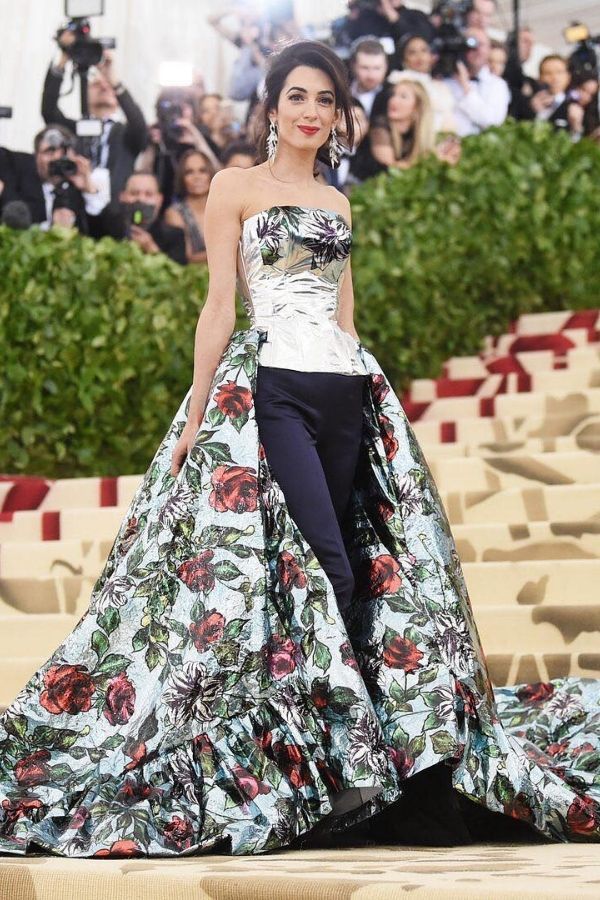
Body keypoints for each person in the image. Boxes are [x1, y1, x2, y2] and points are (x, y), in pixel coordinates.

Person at [1, 38, 599, 860]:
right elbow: (219, 307)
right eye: (297, 96)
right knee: (326, 559)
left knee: (355, 560)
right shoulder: (235, 187)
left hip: (343, 390)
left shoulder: (340, 203)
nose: (311, 111)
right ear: (272, 106)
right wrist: (196, 420)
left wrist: (371, 399)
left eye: (325, 99)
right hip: (273, 386)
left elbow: (345, 317)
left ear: (337, 116)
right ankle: (316, 761)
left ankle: (356, 764)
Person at [42, 32, 147, 199]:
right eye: (96, 84)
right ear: (84, 93)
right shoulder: (73, 129)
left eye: (108, 86)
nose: (103, 87)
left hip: (114, 210)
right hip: (76, 204)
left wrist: (113, 80)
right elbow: (48, 111)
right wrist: (64, 57)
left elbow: (140, 126)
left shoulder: (126, 134)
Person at [5, 125, 110, 235]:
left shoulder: (77, 191)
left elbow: (101, 234)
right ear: (36, 156)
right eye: (49, 151)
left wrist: (89, 190)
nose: (56, 158)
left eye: (63, 153)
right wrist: (51, 228)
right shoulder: (21, 188)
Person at [444, 26, 510, 136]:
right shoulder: (446, 81)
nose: (477, 49)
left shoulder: (498, 85)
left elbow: (492, 123)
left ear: (489, 49)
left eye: (482, 45)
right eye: (471, 44)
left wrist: (466, 87)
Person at [391, 34, 457, 133]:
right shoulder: (399, 80)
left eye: (424, 50)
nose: (419, 57)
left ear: (432, 56)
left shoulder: (440, 85)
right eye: (412, 52)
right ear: (404, 59)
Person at [165, 149, 217, 264]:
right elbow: (186, 259)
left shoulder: (225, 208)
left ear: (211, 174)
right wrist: (230, 252)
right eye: (189, 172)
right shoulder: (175, 213)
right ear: (182, 178)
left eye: (202, 171)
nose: (196, 177)